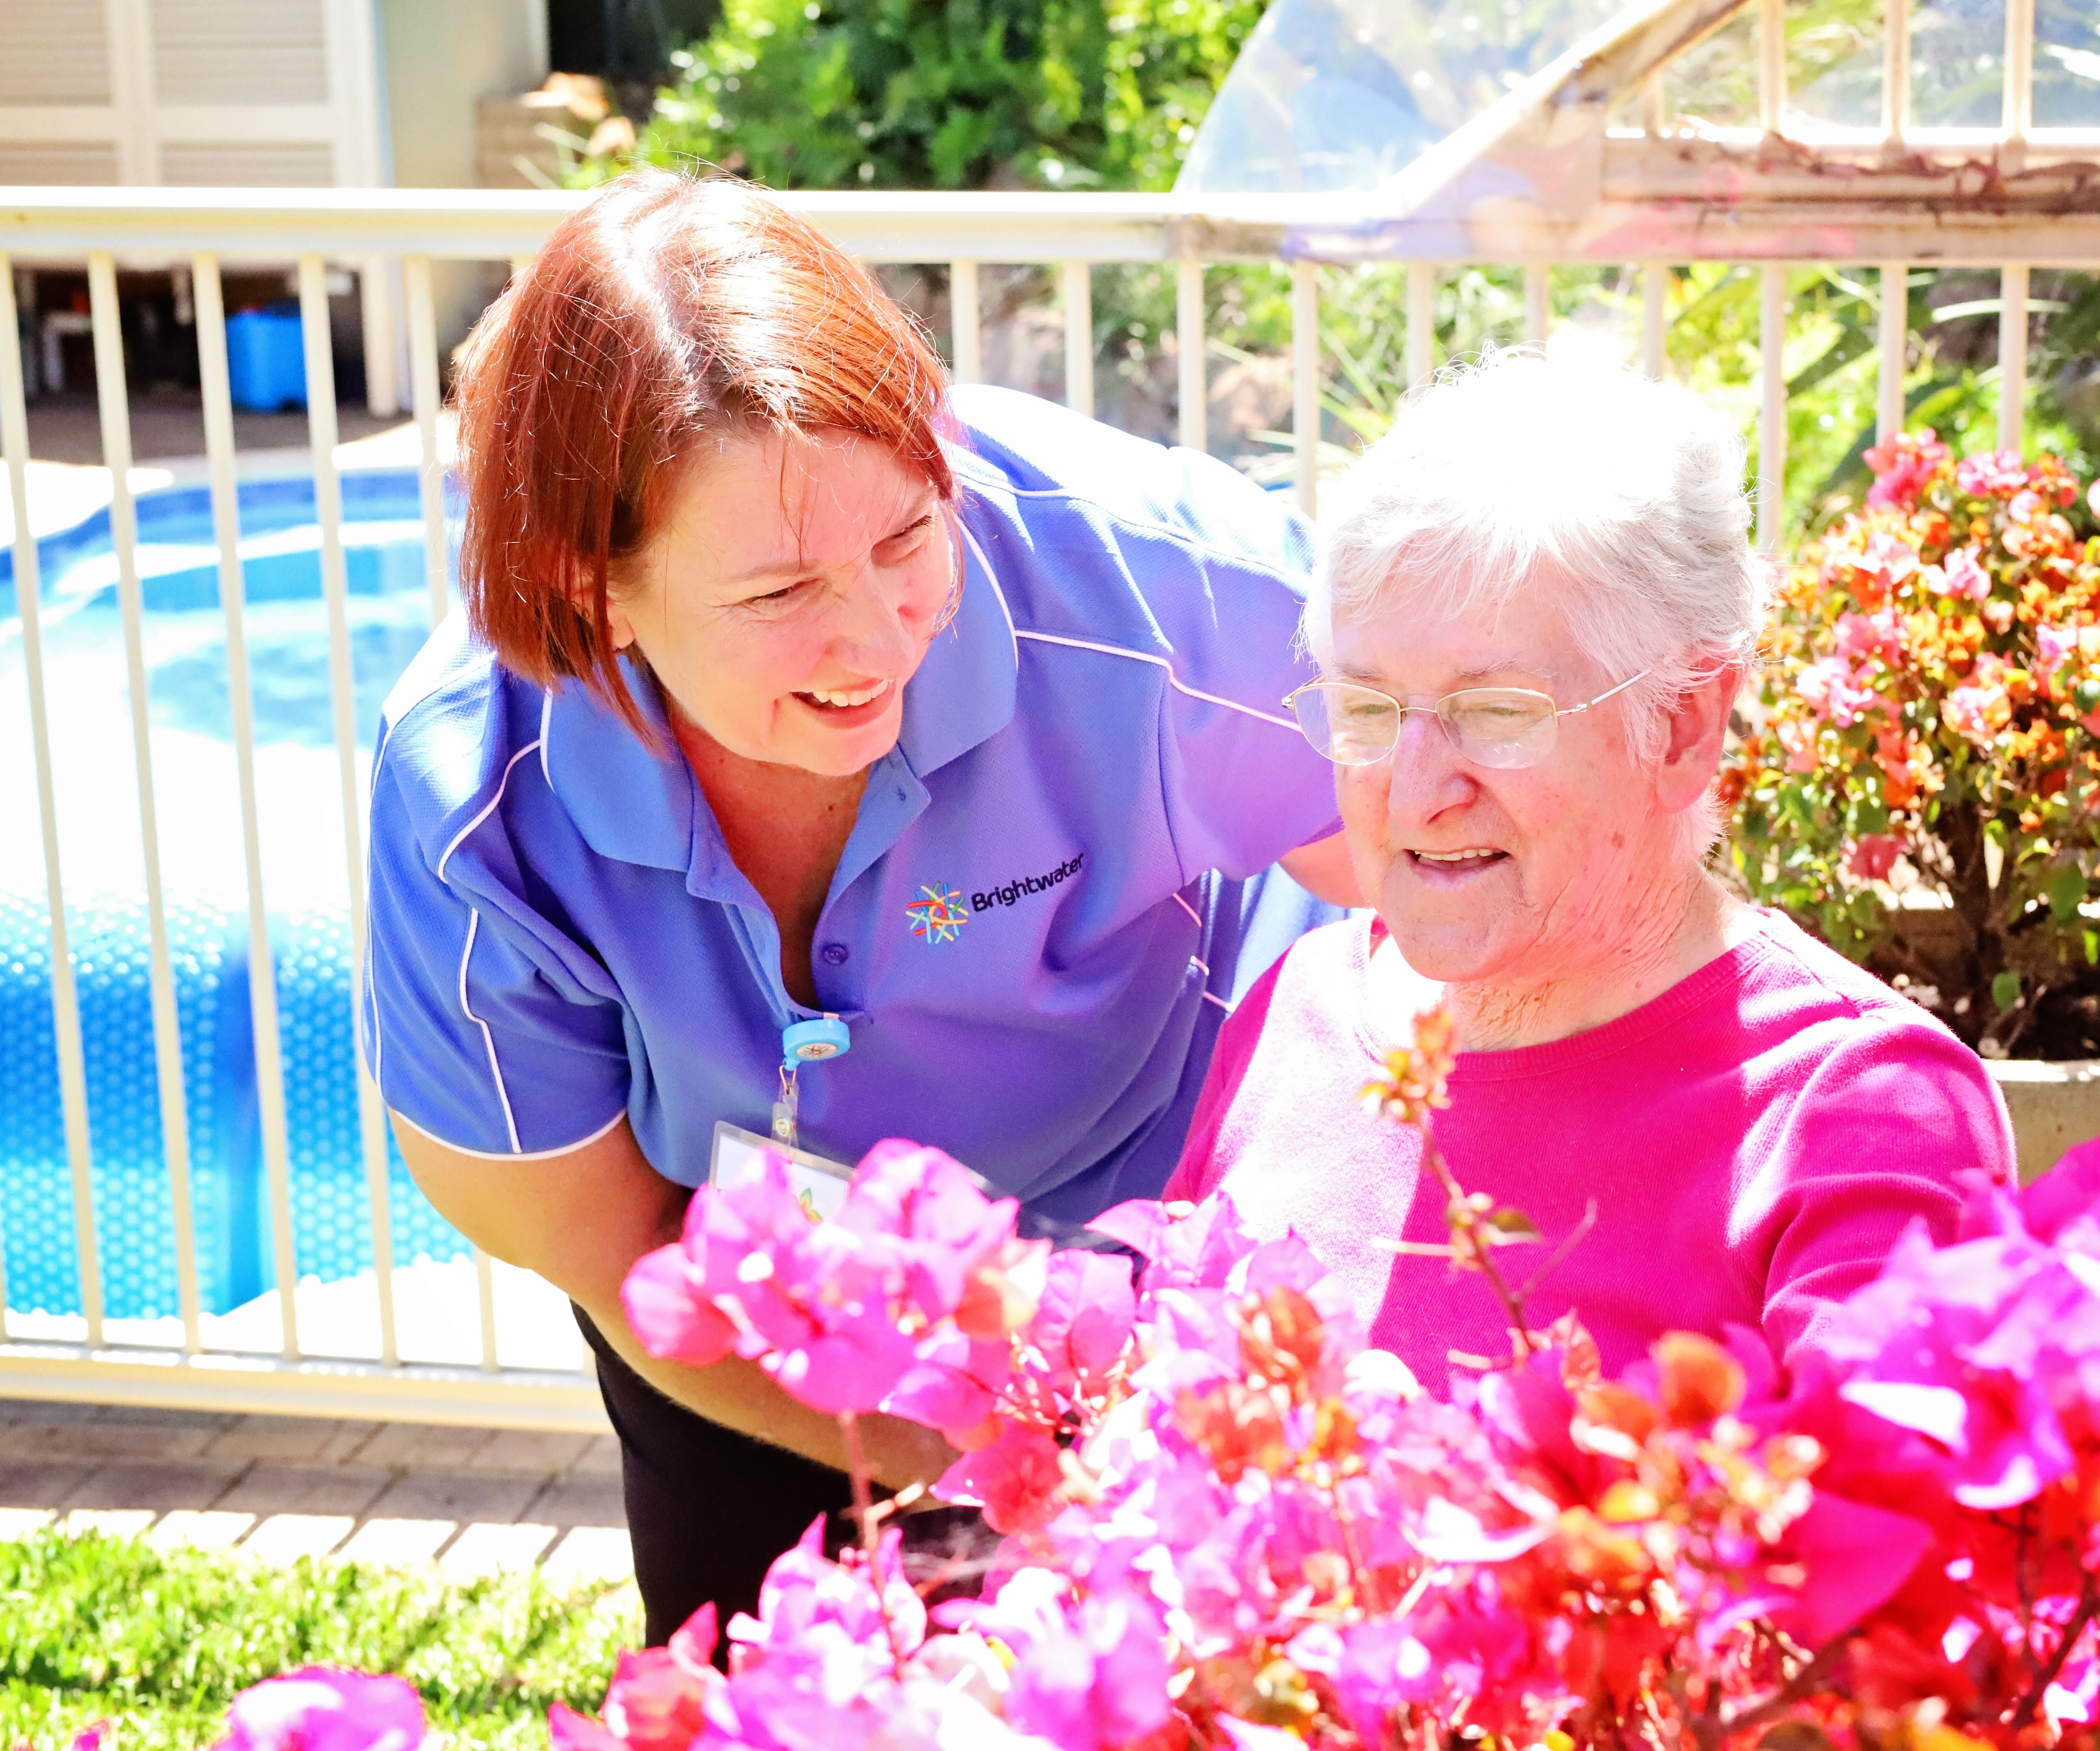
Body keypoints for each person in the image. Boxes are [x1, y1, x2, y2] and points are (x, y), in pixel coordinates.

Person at [364, 171, 1355, 1636]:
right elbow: (602, 1236)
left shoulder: (1164, 586)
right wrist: (980, 1465)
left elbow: (1475, 902)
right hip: (750, 1328)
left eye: (906, 541)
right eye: (776, 596)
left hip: (1175, 1251)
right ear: (595, 596)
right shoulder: (469, 803)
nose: (873, 640)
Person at [1165, 351, 2015, 1393]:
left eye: (1498, 712)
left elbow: (1877, 1537)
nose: (1416, 789)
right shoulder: (1299, 1011)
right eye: (1369, 710)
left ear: (1684, 727)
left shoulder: (1852, 1112)